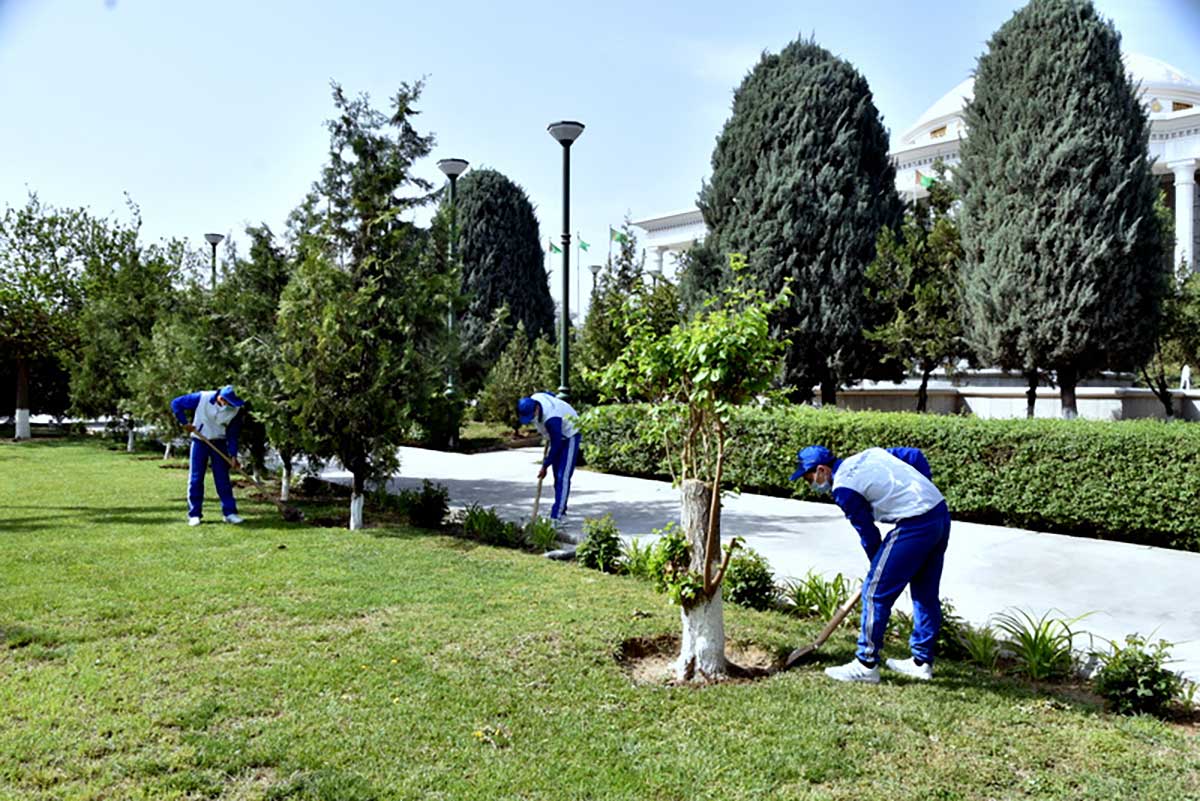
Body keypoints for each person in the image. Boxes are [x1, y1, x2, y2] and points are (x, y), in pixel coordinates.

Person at [790, 444, 950, 684]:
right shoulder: (869, 454)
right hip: (938, 512)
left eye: (808, 478)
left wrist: (878, 569)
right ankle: (921, 662)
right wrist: (923, 490)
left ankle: (866, 664)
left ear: (822, 470)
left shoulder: (843, 488)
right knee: (925, 592)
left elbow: (867, 532)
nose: (810, 484)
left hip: (915, 523)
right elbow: (915, 455)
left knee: (875, 593)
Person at [170, 385, 246, 526]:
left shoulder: (235, 409)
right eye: (229, 402)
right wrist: (184, 422)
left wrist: (234, 455)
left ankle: (229, 513)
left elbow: (232, 434)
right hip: (200, 441)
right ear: (221, 398)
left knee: (223, 479)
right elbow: (176, 403)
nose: (231, 406)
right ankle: (194, 514)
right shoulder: (202, 397)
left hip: (219, 443)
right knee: (196, 478)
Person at [517, 392, 581, 521]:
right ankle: (560, 510)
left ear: (537, 408)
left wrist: (545, 465)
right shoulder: (535, 397)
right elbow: (550, 394)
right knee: (557, 477)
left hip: (570, 434)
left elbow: (556, 445)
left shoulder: (552, 419)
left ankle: (557, 517)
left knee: (563, 476)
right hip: (557, 433)